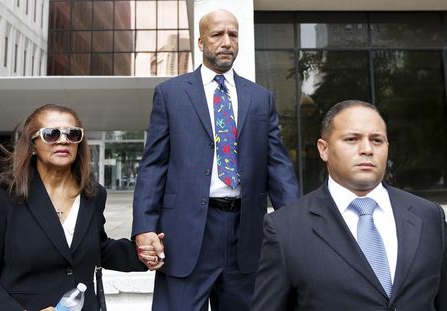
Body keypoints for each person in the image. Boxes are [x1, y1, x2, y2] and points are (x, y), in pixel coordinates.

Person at [132, 8, 300, 311]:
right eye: (217, 35)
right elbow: (153, 165)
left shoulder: (261, 98)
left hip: (246, 232)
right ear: (200, 42)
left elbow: (278, 166)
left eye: (233, 35)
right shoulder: (170, 94)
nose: (227, 42)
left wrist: (297, 225)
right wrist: (144, 225)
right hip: (185, 232)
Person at [251, 100, 447, 310]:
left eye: (377, 140)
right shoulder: (285, 228)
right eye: (352, 139)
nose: (367, 149)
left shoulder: (428, 216)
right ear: (323, 149)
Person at [0, 104, 147, 311]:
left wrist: (144, 253)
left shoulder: (93, 195)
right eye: (51, 134)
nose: (63, 139)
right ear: (31, 145)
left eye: (73, 134)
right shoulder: (4, 194)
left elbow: (97, 248)